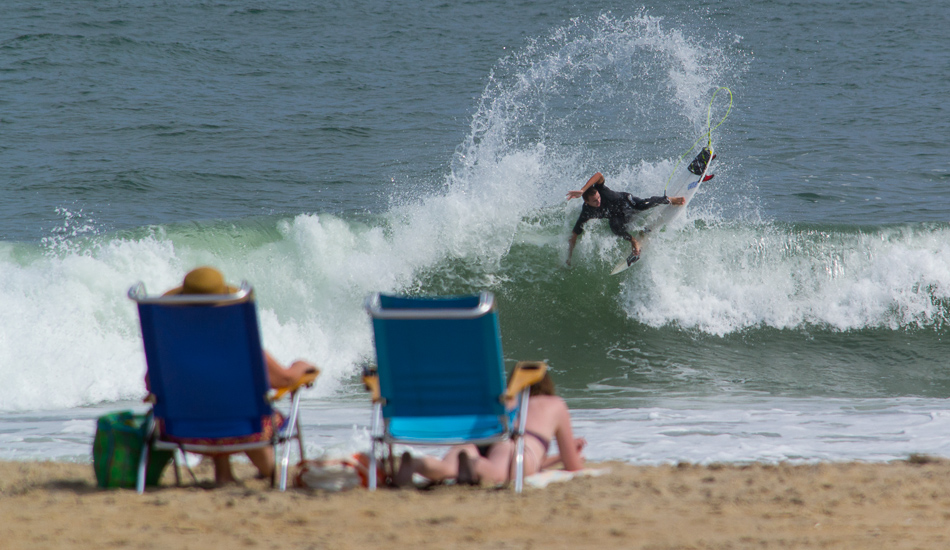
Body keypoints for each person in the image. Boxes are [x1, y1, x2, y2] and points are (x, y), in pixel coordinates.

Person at [150, 266, 318, 486]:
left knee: (212, 400)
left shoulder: (170, 346)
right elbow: (283, 381)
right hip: (244, 429)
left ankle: (226, 473)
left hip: (181, 430)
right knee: (249, 412)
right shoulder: (238, 339)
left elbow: (150, 383)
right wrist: (301, 366)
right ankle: (269, 472)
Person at [393, 370, 586, 487]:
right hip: (514, 447)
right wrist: (570, 456)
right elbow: (573, 466)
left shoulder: (503, 398)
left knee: (447, 468)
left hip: (481, 439)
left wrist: (556, 458)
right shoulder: (554, 403)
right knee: (496, 472)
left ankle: (416, 464)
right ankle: (474, 464)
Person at [565, 172, 686, 266]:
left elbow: (599, 175)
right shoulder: (587, 212)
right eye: (595, 200)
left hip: (627, 202)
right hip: (620, 216)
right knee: (614, 226)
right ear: (586, 201)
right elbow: (575, 234)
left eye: (598, 198)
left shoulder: (600, 189)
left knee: (643, 205)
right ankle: (634, 241)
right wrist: (569, 257)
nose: (599, 201)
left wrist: (582, 190)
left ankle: (669, 199)